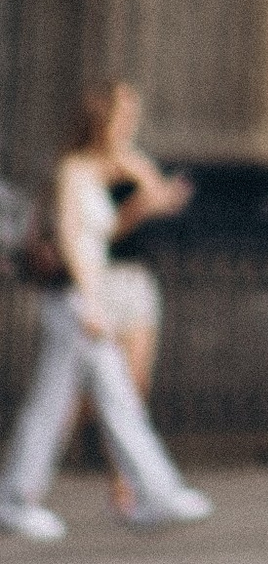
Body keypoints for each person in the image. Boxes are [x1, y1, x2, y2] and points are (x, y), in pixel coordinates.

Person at [1, 83, 212, 537]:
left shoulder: (99, 168)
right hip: (77, 300)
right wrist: (90, 300)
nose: (131, 125)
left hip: (82, 298)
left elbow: (114, 225)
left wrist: (143, 182)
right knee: (83, 402)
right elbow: (72, 240)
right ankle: (152, 491)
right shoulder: (73, 171)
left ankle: (152, 492)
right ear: (103, 121)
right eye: (124, 116)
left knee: (89, 401)